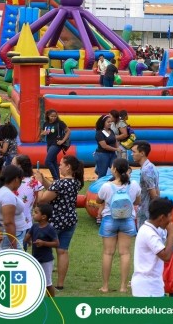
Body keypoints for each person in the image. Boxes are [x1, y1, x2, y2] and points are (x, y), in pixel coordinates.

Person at [36, 155, 84, 291]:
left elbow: (43, 200)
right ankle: (60, 284)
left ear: (68, 167)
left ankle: (42, 280)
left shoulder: (60, 184)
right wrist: (44, 179)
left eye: (61, 164)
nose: (59, 166)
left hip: (55, 221)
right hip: (70, 220)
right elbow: (53, 188)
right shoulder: (76, 183)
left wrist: (39, 185)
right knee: (62, 251)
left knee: (43, 250)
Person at [96, 158, 141, 293]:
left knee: (108, 253)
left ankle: (105, 286)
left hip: (110, 219)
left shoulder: (106, 186)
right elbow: (137, 201)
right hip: (127, 220)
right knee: (125, 253)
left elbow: (99, 200)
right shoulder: (133, 184)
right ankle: (123, 286)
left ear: (114, 169)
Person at [132, 197, 173, 297]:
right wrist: (172, 234)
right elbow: (166, 257)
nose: (172, 219)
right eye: (170, 215)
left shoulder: (154, 228)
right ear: (162, 218)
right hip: (147, 288)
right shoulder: (149, 233)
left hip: (152, 285)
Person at [0, 165, 24, 249]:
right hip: (11, 235)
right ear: (16, 179)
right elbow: (8, 223)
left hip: (3, 233)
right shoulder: (7, 195)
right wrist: (14, 244)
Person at [29, 204, 59, 297]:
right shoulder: (34, 226)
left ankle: (52, 301)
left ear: (43, 217)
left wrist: (44, 243)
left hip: (46, 260)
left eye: (36, 212)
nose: (33, 214)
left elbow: (56, 243)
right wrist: (26, 241)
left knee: (47, 283)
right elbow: (28, 236)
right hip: (36, 258)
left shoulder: (50, 229)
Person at [131, 141, 160, 226]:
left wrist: (155, 211)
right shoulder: (151, 166)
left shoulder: (146, 170)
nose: (132, 154)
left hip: (147, 211)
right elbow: (157, 189)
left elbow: (153, 194)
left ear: (142, 153)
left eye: (134, 152)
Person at [94, 114, 118, 179]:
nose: (110, 123)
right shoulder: (99, 133)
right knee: (102, 174)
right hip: (102, 154)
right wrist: (116, 149)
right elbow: (104, 146)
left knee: (116, 170)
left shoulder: (111, 131)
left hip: (112, 154)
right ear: (103, 123)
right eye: (108, 122)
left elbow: (115, 140)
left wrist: (117, 148)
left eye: (111, 122)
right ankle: (99, 187)